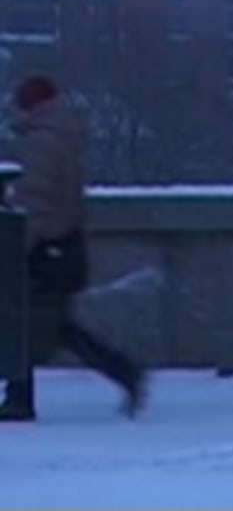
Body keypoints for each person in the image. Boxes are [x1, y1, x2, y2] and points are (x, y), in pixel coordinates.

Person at [0, 77, 147, 422]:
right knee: (50, 325)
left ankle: (20, 399)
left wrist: (16, 246)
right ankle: (124, 373)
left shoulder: (41, 143)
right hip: (64, 246)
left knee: (29, 322)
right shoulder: (62, 136)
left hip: (46, 248)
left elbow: (35, 203)